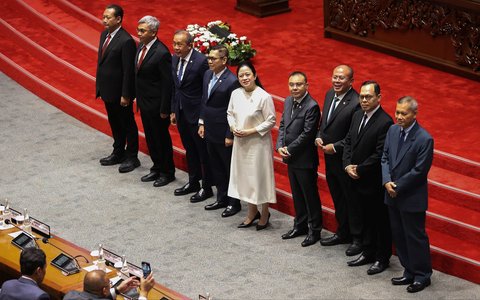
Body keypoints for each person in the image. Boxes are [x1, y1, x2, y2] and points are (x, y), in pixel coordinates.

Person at [381, 96, 434, 293]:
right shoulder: (393, 130)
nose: (399, 117)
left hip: (410, 196)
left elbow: (420, 171)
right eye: (397, 112)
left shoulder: (424, 139)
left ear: (414, 114)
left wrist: (397, 186)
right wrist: (387, 181)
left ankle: (422, 275)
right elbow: (385, 156)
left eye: (404, 113)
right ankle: (409, 270)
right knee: (399, 234)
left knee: (414, 237)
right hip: (391, 192)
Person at [342, 81, 393, 274]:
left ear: (378, 98)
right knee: (364, 219)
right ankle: (367, 250)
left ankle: (382, 258)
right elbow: (348, 142)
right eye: (362, 96)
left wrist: (360, 169)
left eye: (368, 97)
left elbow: (380, 154)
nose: (363, 100)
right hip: (355, 178)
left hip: (372, 181)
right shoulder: (357, 115)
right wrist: (347, 165)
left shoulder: (385, 122)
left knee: (379, 221)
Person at [316, 65, 361, 255]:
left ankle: (357, 238)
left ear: (351, 81)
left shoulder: (356, 102)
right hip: (330, 159)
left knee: (351, 199)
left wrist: (335, 147)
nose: (336, 81)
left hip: (346, 160)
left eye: (341, 78)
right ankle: (342, 231)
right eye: (335, 77)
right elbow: (324, 122)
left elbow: (354, 135)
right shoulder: (329, 94)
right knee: (337, 197)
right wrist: (319, 135)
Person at [227, 61, 276, 230]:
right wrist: (233, 127)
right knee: (245, 178)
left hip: (258, 144)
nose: (245, 78)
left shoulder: (264, 96)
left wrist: (252, 131)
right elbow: (230, 113)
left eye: (248, 74)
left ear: (255, 75)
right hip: (241, 143)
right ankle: (251, 211)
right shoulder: (235, 94)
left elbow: (271, 120)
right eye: (241, 75)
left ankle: (264, 213)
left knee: (259, 178)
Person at [277, 71, 322, 247]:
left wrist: (289, 149)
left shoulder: (312, 106)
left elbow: (307, 135)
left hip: (304, 160)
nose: (294, 88)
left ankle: (315, 230)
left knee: (310, 196)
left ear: (306, 86)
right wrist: (280, 144)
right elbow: (282, 125)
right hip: (290, 158)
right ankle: (300, 225)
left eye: (298, 84)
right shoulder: (288, 101)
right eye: (291, 84)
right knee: (297, 194)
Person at [170, 30, 213, 203]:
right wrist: (174, 109)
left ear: (190, 45)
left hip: (196, 115)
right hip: (181, 112)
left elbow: (206, 92)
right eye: (174, 43)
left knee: (203, 153)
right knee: (190, 150)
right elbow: (175, 87)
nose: (176, 47)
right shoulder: (174, 58)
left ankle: (207, 187)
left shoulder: (201, 62)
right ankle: (193, 182)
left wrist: (203, 118)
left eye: (180, 44)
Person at [96, 4, 139, 173]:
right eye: (104, 16)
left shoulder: (126, 40)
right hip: (107, 90)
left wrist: (126, 94)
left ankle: (132, 156)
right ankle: (118, 151)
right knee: (114, 122)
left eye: (108, 17)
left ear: (119, 19)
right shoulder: (104, 35)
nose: (104, 20)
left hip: (121, 93)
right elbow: (102, 62)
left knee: (127, 123)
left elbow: (128, 70)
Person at [199, 45, 241, 218]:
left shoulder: (232, 81)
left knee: (228, 168)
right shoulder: (208, 74)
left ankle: (234, 203)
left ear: (224, 61)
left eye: (213, 58)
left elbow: (234, 110)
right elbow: (204, 100)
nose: (209, 61)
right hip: (209, 128)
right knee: (215, 166)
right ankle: (221, 197)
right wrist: (201, 122)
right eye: (208, 58)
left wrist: (229, 134)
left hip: (224, 132)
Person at [135, 16, 175, 187]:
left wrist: (165, 108)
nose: (138, 33)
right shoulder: (141, 47)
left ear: (153, 32)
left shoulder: (162, 53)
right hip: (144, 102)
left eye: (142, 31)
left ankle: (167, 172)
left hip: (158, 105)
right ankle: (156, 167)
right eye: (138, 30)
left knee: (161, 139)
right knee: (151, 138)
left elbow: (167, 83)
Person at [63, 270, 154, 299]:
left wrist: (117, 290)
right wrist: (144, 292)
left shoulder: (69, 295)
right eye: (109, 284)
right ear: (104, 290)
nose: (111, 285)